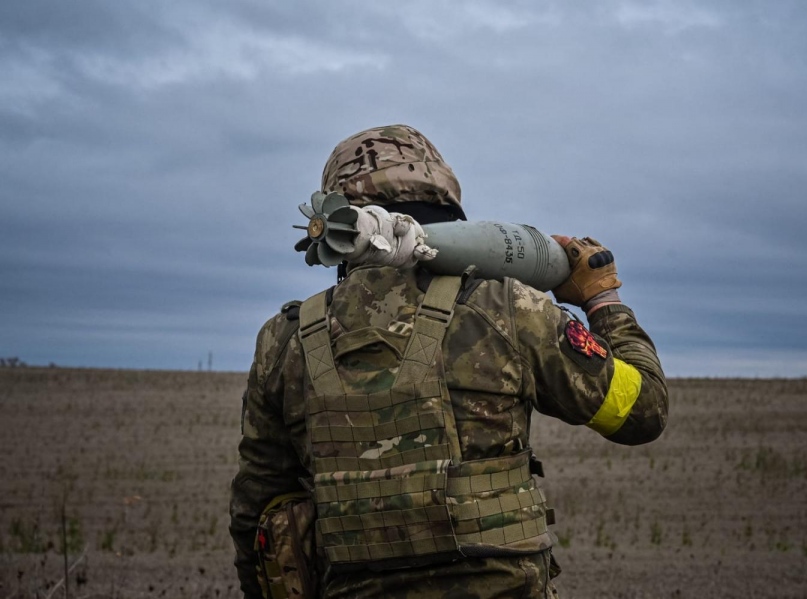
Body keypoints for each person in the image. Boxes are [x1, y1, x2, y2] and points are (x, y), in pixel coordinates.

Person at [229, 124, 668, 598]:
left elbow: (259, 510)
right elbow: (642, 412)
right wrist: (605, 299)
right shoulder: (508, 309)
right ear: (449, 209)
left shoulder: (286, 339)